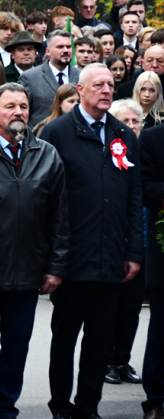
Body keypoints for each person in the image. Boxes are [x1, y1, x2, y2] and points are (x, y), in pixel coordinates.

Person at [0, 82, 68, 419]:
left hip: (28, 271)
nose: (18, 112)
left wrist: (56, 266)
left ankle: (5, 407)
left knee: (16, 347)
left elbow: (60, 216)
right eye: (10, 106)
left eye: (23, 106)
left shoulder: (46, 154)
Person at [40, 63, 143, 419]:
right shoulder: (57, 133)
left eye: (111, 85)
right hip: (71, 259)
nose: (106, 90)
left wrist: (133, 251)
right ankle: (60, 406)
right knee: (65, 340)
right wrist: (51, 260)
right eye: (98, 84)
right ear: (79, 90)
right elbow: (46, 198)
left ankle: (88, 407)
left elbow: (133, 196)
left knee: (99, 343)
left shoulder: (123, 135)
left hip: (111, 258)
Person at [103, 99, 145, 387]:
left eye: (135, 121)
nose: (131, 126)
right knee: (110, 307)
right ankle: (106, 359)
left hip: (141, 239)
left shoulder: (145, 151)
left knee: (131, 308)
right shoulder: (110, 149)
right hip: (112, 240)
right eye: (125, 121)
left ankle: (122, 359)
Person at [140, 120, 164, 419]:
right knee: (160, 332)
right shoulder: (152, 138)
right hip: (162, 246)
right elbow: (145, 188)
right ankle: (155, 400)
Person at [18, 30, 80, 126]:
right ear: (48, 51)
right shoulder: (30, 78)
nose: (66, 50)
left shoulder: (82, 76)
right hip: (40, 137)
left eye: (68, 47)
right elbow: (21, 113)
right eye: (60, 47)